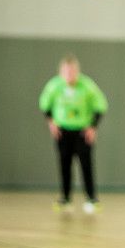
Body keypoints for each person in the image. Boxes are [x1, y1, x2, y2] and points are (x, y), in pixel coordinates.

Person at [39, 55, 108, 214]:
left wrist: (93, 127)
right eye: (66, 71)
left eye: (72, 71)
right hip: (63, 131)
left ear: (77, 71)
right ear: (61, 72)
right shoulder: (54, 86)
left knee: (86, 165)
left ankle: (91, 199)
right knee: (64, 164)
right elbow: (44, 104)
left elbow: (101, 105)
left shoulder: (87, 85)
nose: (69, 75)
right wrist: (51, 122)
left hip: (82, 132)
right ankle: (65, 199)